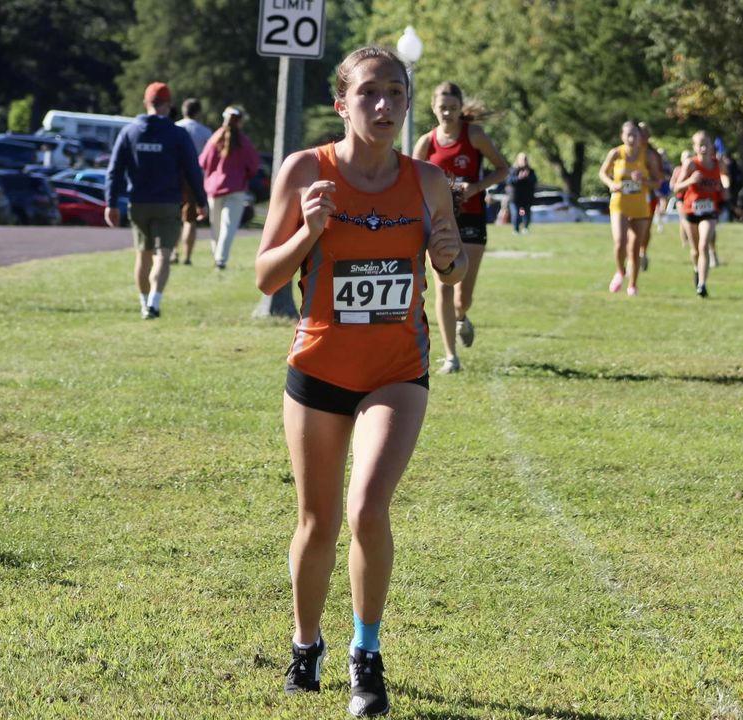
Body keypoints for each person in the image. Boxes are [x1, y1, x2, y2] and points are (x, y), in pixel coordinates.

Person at [255, 45, 467, 718]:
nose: (384, 105)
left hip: (396, 371)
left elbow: (450, 266)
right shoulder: (305, 171)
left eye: (396, 93)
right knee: (317, 522)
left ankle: (365, 654)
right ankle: (305, 645)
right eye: (370, 93)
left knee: (368, 509)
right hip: (319, 367)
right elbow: (265, 276)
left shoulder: (427, 181)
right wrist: (309, 233)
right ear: (341, 104)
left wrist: (450, 260)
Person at [413, 81, 509, 374]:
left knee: (461, 297)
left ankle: (461, 316)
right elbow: (410, 180)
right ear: (433, 107)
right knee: (442, 286)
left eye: (453, 107)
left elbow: (503, 169)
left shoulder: (474, 135)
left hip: (472, 217)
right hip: (440, 220)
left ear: (460, 108)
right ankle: (451, 357)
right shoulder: (426, 142)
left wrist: (476, 187)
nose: (447, 113)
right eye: (442, 107)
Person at [105, 82, 208, 319]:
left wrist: (111, 203)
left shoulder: (129, 132)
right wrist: (201, 201)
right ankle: (154, 302)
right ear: (168, 105)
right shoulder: (177, 134)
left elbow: (114, 170)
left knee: (143, 255)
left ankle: (144, 304)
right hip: (168, 203)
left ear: (146, 102)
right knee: (163, 254)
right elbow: (192, 170)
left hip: (138, 202)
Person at [599, 121, 657, 296]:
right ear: (622, 137)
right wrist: (611, 184)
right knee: (620, 242)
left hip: (640, 205)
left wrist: (644, 181)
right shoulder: (616, 153)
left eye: (635, 135)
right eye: (628, 135)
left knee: (635, 248)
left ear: (640, 137)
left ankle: (633, 284)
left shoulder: (648, 156)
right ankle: (620, 272)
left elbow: (657, 182)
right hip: (620, 203)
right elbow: (602, 173)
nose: (632, 139)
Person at [199, 105, 261, 270]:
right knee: (228, 226)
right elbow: (254, 165)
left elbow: (203, 162)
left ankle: (217, 257)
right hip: (236, 189)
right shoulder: (244, 141)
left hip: (214, 189)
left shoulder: (214, 139)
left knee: (216, 226)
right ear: (240, 121)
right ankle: (221, 259)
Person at [675, 130, 728, 298]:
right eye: (700, 145)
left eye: (706, 144)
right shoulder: (691, 164)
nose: (704, 148)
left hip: (709, 210)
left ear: (711, 146)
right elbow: (676, 188)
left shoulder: (718, 163)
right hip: (691, 210)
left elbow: (724, 178)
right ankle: (696, 269)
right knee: (695, 250)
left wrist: (725, 188)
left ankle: (702, 284)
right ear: (695, 147)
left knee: (703, 245)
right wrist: (691, 180)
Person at [172, 98, 214, 265]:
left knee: (174, 217)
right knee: (190, 219)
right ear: (198, 112)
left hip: (174, 176)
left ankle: (173, 251)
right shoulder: (204, 132)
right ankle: (187, 257)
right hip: (194, 177)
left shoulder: (174, 127)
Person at [635, 122, 664, 271]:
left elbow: (660, 178)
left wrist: (645, 180)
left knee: (645, 228)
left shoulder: (653, 154)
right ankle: (633, 257)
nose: (642, 137)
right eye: (640, 133)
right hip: (630, 196)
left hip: (649, 195)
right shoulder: (627, 152)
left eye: (645, 134)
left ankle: (642, 252)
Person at [506, 152, 537, 235]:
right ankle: (516, 229)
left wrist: (527, 177)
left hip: (526, 198)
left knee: (524, 213)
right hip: (516, 198)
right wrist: (519, 178)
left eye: (525, 159)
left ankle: (525, 228)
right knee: (516, 214)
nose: (524, 161)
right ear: (518, 160)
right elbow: (509, 181)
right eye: (523, 159)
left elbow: (534, 181)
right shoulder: (513, 170)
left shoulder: (530, 171)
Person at [670, 150, 693, 248]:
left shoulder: (693, 169)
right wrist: (675, 187)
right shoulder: (677, 169)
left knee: (688, 220)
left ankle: (690, 239)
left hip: (691, 198)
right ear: (681, 159)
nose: (687, 159)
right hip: (680, 197)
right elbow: (672, 183)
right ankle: (685, 241)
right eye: (685, 157)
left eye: (689, 157)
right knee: (683, 219)